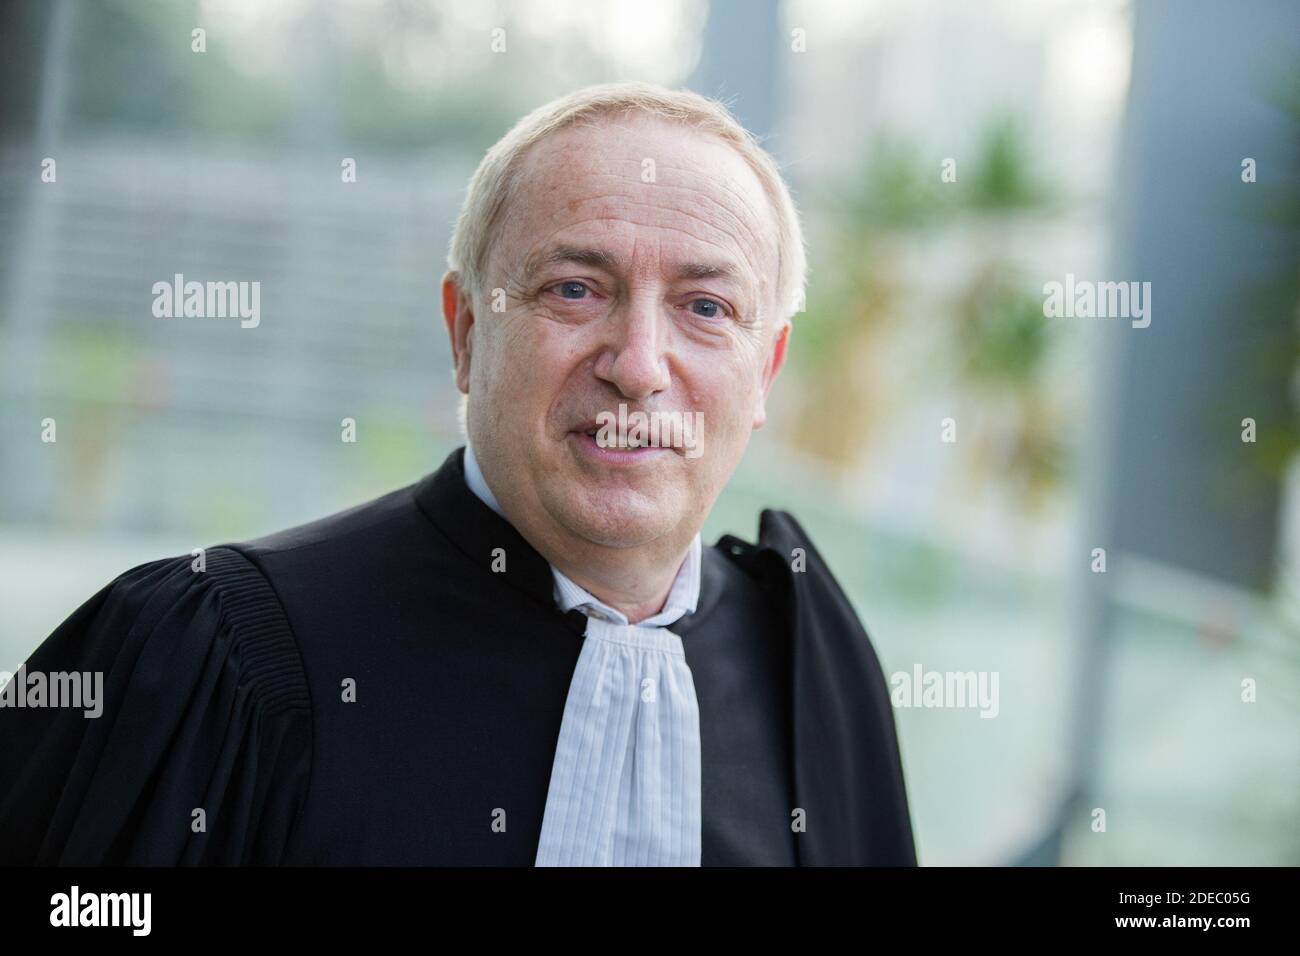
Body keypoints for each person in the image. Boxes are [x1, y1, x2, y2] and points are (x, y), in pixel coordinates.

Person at [0, 82, 916, 866]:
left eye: (706, 306)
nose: (639, 365)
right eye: (574, 289)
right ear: (467, 332)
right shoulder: (211, 656)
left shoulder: (812, 677)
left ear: (765, 372)